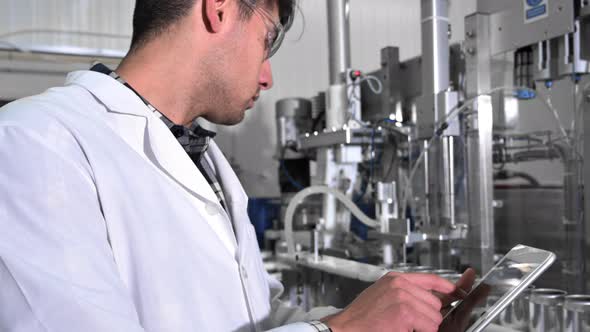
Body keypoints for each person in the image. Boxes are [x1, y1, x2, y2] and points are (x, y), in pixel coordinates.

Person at [0, 0, 475, 331]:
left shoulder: (205, 158)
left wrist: (392, 320)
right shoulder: (34, 141)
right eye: (266, 40)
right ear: (220, 7)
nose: (268, 77)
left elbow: (254, 315)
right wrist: (344, 329)